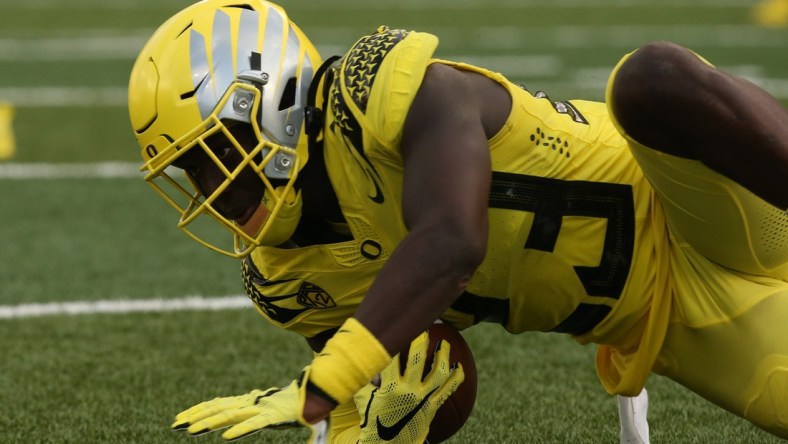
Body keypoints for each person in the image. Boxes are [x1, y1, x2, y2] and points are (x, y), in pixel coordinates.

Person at [127, 0, 788, 442]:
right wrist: (382, 422)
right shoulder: (285, 276)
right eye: (191, 174)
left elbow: (452, 241)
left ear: (271, 97)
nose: (211, 189)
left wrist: (326, 381)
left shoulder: (373, 91)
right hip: (666, 320)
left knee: (652, 80)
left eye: (214, 155)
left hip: (698, 194)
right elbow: (418, 371)